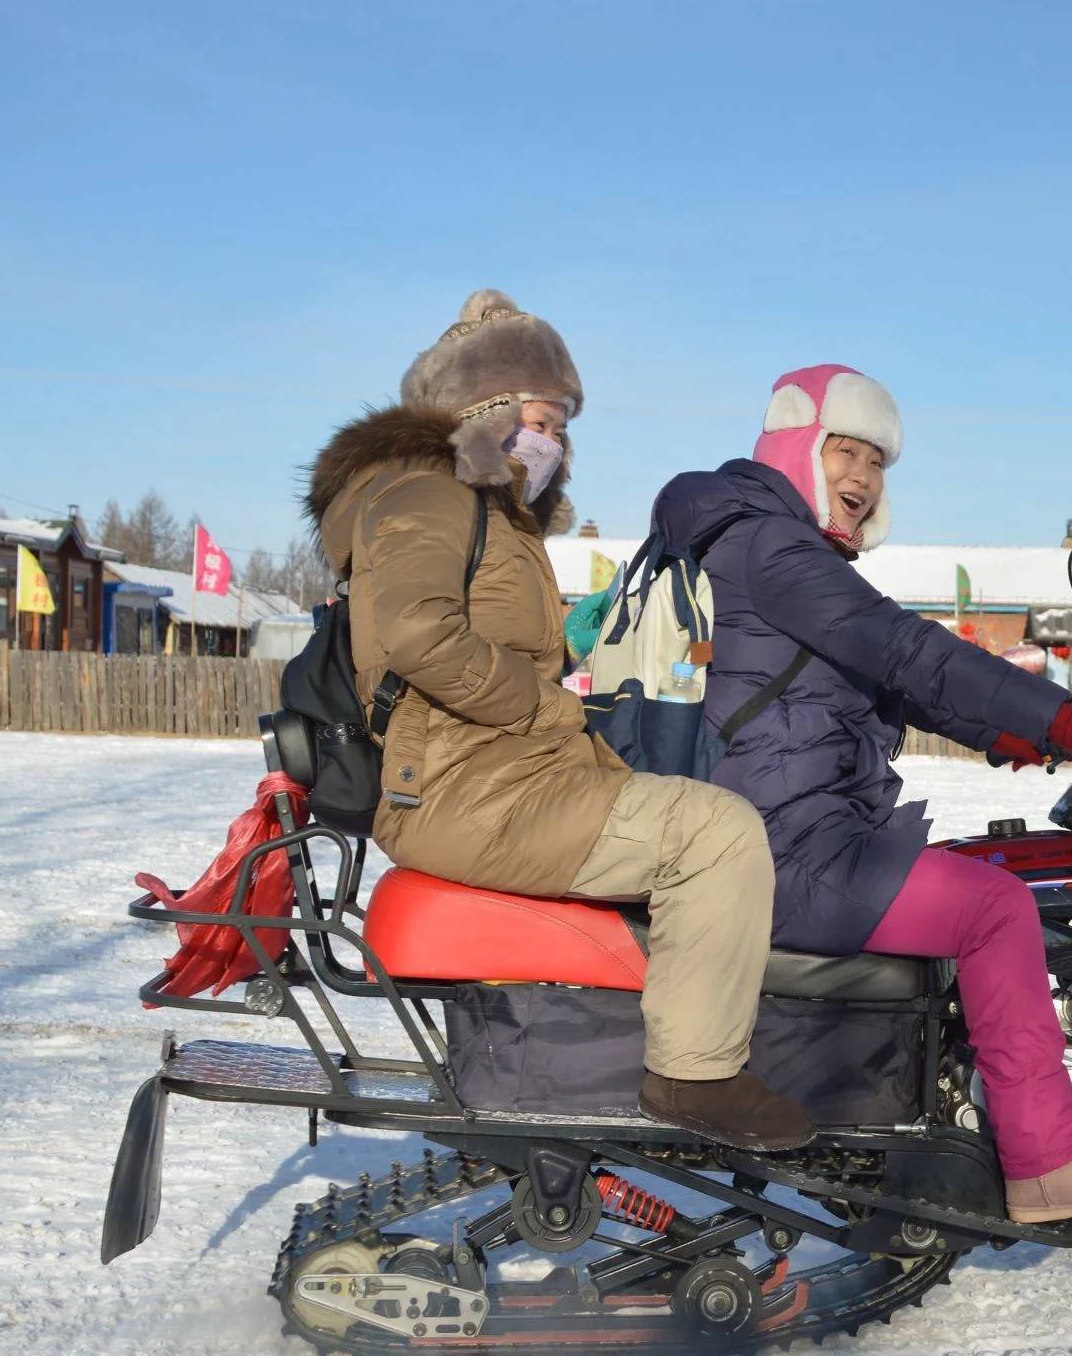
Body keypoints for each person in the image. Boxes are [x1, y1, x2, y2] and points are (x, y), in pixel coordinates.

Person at [651, 364, 1072, 1223]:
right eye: (845, 452)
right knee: (995, 908)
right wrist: (1061, 718)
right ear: (797, 448)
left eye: (878, 463)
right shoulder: (769, 544)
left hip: (792, 836)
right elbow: (902, 648)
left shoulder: (764, 543)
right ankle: (1049, 1162)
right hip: (785, 853)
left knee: (984, 877)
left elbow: (883, 682)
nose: (862, 478)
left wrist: (1010, 736)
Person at [303, 290, 810, 1151]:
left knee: (690, 814)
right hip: (460, 788)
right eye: (540, 416)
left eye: (564, 425)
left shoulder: (488, 511)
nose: (553, 440)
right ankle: (693, 1077)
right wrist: (540, 703)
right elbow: (419, 634)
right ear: (479, 410)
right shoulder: (429, 490)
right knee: (715, 832)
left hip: (494, 777)